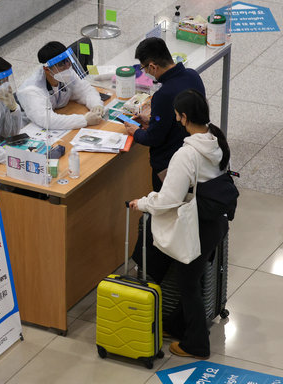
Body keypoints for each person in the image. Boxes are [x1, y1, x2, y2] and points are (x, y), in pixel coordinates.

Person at [129, 89, 231, 360]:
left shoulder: (186, 155)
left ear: (184, 117)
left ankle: (196, 345)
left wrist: (143, 203)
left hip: (196, 227)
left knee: (188, 283)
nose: (175, 120)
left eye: (176, 116)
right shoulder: (216, 140)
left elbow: (168, 200)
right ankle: (177, 326)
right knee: (192, 277)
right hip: (216, 222)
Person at [123, 37, 206, 192]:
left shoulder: (164, 94)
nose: (146, 73)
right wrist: (153, 120)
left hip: (171, 165)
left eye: (144, 69)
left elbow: (154, 138)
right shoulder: (192, 75)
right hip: (195, 157)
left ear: (153, 66)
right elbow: (175, 119)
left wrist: (136, 132)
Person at [17, 41, 104, 130]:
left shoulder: (65, 72)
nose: (67, 66)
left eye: (68, 60)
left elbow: (85, 90)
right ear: (46, 69)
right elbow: (48, 120)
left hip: (59, 116)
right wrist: (84, 120)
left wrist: (96, 104)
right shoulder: (31, 90)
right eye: (61, 64)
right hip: (31, 128)